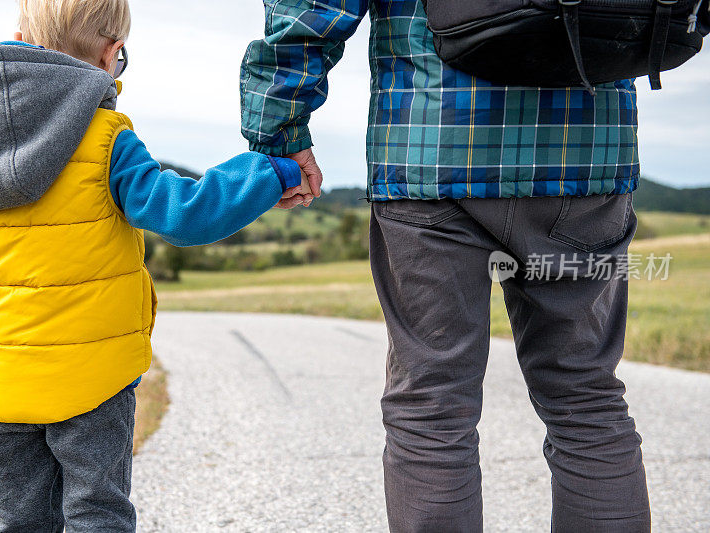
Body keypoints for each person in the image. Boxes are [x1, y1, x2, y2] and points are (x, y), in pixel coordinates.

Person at [241, 1, 650, 531]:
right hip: (587, 148)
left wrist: (279, 133)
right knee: (586, 398)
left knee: (432, 409)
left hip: (431, 150)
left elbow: (313, 10)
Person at [0, 0, 309, 529]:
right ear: (112, 54)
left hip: (4, 379)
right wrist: (267, 173)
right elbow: (185, 214)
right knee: (96, 513)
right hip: (95, 381)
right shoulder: (106, 139)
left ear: (19, 37)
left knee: (20, 518)